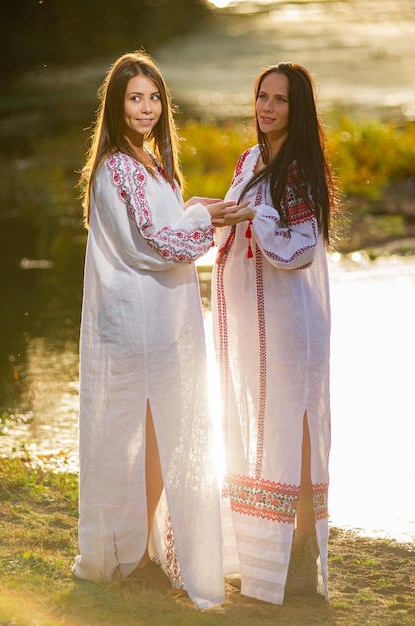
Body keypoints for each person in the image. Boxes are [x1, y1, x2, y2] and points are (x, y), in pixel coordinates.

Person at [71, 50, 253, 610]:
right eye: (135, 98)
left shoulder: (147, 161)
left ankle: (142, 551)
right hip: (137, 323)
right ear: (116, 104)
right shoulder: (116, 166)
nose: (146, 108)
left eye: (153, 97)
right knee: (140, 434)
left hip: (156, 316)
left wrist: (194, 204)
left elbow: (162, 221)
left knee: (151, 435)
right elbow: (152, 242)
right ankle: (135, 557)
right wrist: (205, 219)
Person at [212, 62, 339, 605]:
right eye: (262, 96)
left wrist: (255, 217)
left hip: (290, 326)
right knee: (253, 430)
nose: (266, 107)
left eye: (279, 100)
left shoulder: (299, 170)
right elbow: (236, 216)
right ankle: (261, 555)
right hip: (251, 328)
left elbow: (301, 246)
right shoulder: (249, 160)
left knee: (297, 433)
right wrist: (210, 213)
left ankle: (301, 556)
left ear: (298, 108)